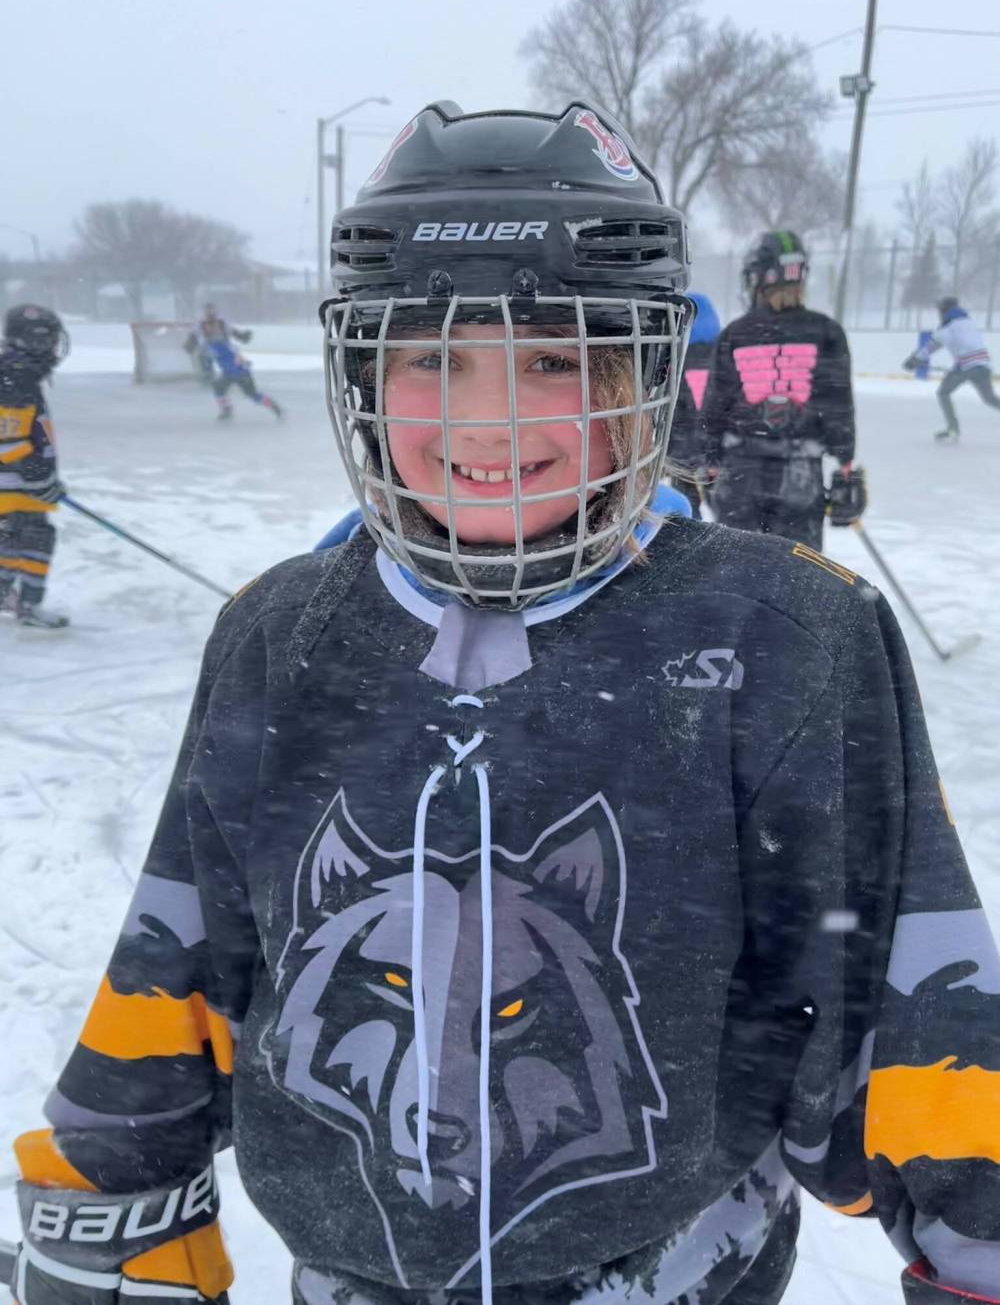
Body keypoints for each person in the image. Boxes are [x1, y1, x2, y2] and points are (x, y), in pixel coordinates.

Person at [9, 104, 999, 1305]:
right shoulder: (282, 635)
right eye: (434, 358)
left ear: (642, 377)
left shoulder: (783, 636)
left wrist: (972, 1240)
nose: (495, 418)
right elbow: (187, 944)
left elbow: (907, 990)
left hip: (682, 1273)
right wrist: (108, 1211)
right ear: (364, 371)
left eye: (554, 358)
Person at [701, 231, 855, 551]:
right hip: (800, 474)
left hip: (740, 470)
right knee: (797, 575)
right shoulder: (825, 331)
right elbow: (837, 404)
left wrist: (711, 459)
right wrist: (845, 463)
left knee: (736, 565)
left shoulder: (736, 333)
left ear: (758, 277)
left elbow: (717, 404)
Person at [0, 304, 70, 628]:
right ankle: (28, 604)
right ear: (33, 339)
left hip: (16, 485)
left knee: (11, 539)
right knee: (35, 539)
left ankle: (5, 595)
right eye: (49, 339)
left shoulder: (16, 370)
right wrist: (40, 478)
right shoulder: (16, 374)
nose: (53, 347)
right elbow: (10, 439)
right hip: (16, 484)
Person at [903, 295, 1000, 442]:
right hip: (984, 366)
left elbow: (931, 346)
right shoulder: (969, 322)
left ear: (944, 310)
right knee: (990, 398)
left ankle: (953, 429)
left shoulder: (948, 327)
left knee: (943, 393)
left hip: (965, 367)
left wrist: (914, 360)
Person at [667, 289, 720, 518]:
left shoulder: (673, 359)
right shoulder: (722, 358)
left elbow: (672, 412)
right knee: (723, 512)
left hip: (682, 454)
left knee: (688, 511)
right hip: (715, 451)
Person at [184, 304, 283, 420]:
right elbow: (198, 342)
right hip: (230, 372)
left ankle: (272, 405)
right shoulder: (211, 341)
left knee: (252, 394)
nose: (212, 329)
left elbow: (230, 334)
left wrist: (241, 336)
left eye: (214, 327)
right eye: (209, 328)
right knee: (219, 388)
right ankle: (227, 410)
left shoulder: (217, 342)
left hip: (239, 371)